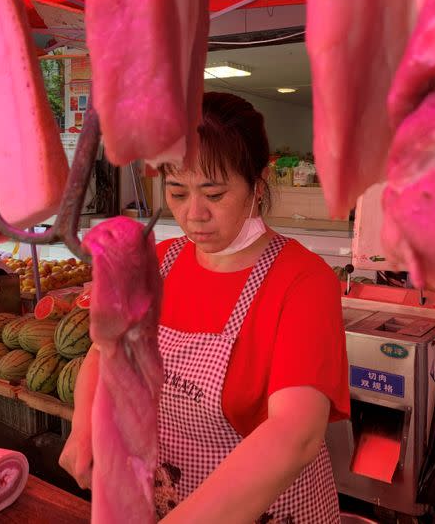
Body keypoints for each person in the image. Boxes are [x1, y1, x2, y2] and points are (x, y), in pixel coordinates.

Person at [61, 92, 350, 523]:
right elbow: (105, 356)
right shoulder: (155, 263)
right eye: (177, 192)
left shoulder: (303, 282)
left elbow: (295, 434)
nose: (194, 214)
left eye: (214, 194)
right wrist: (85, 422)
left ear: (257, 180)